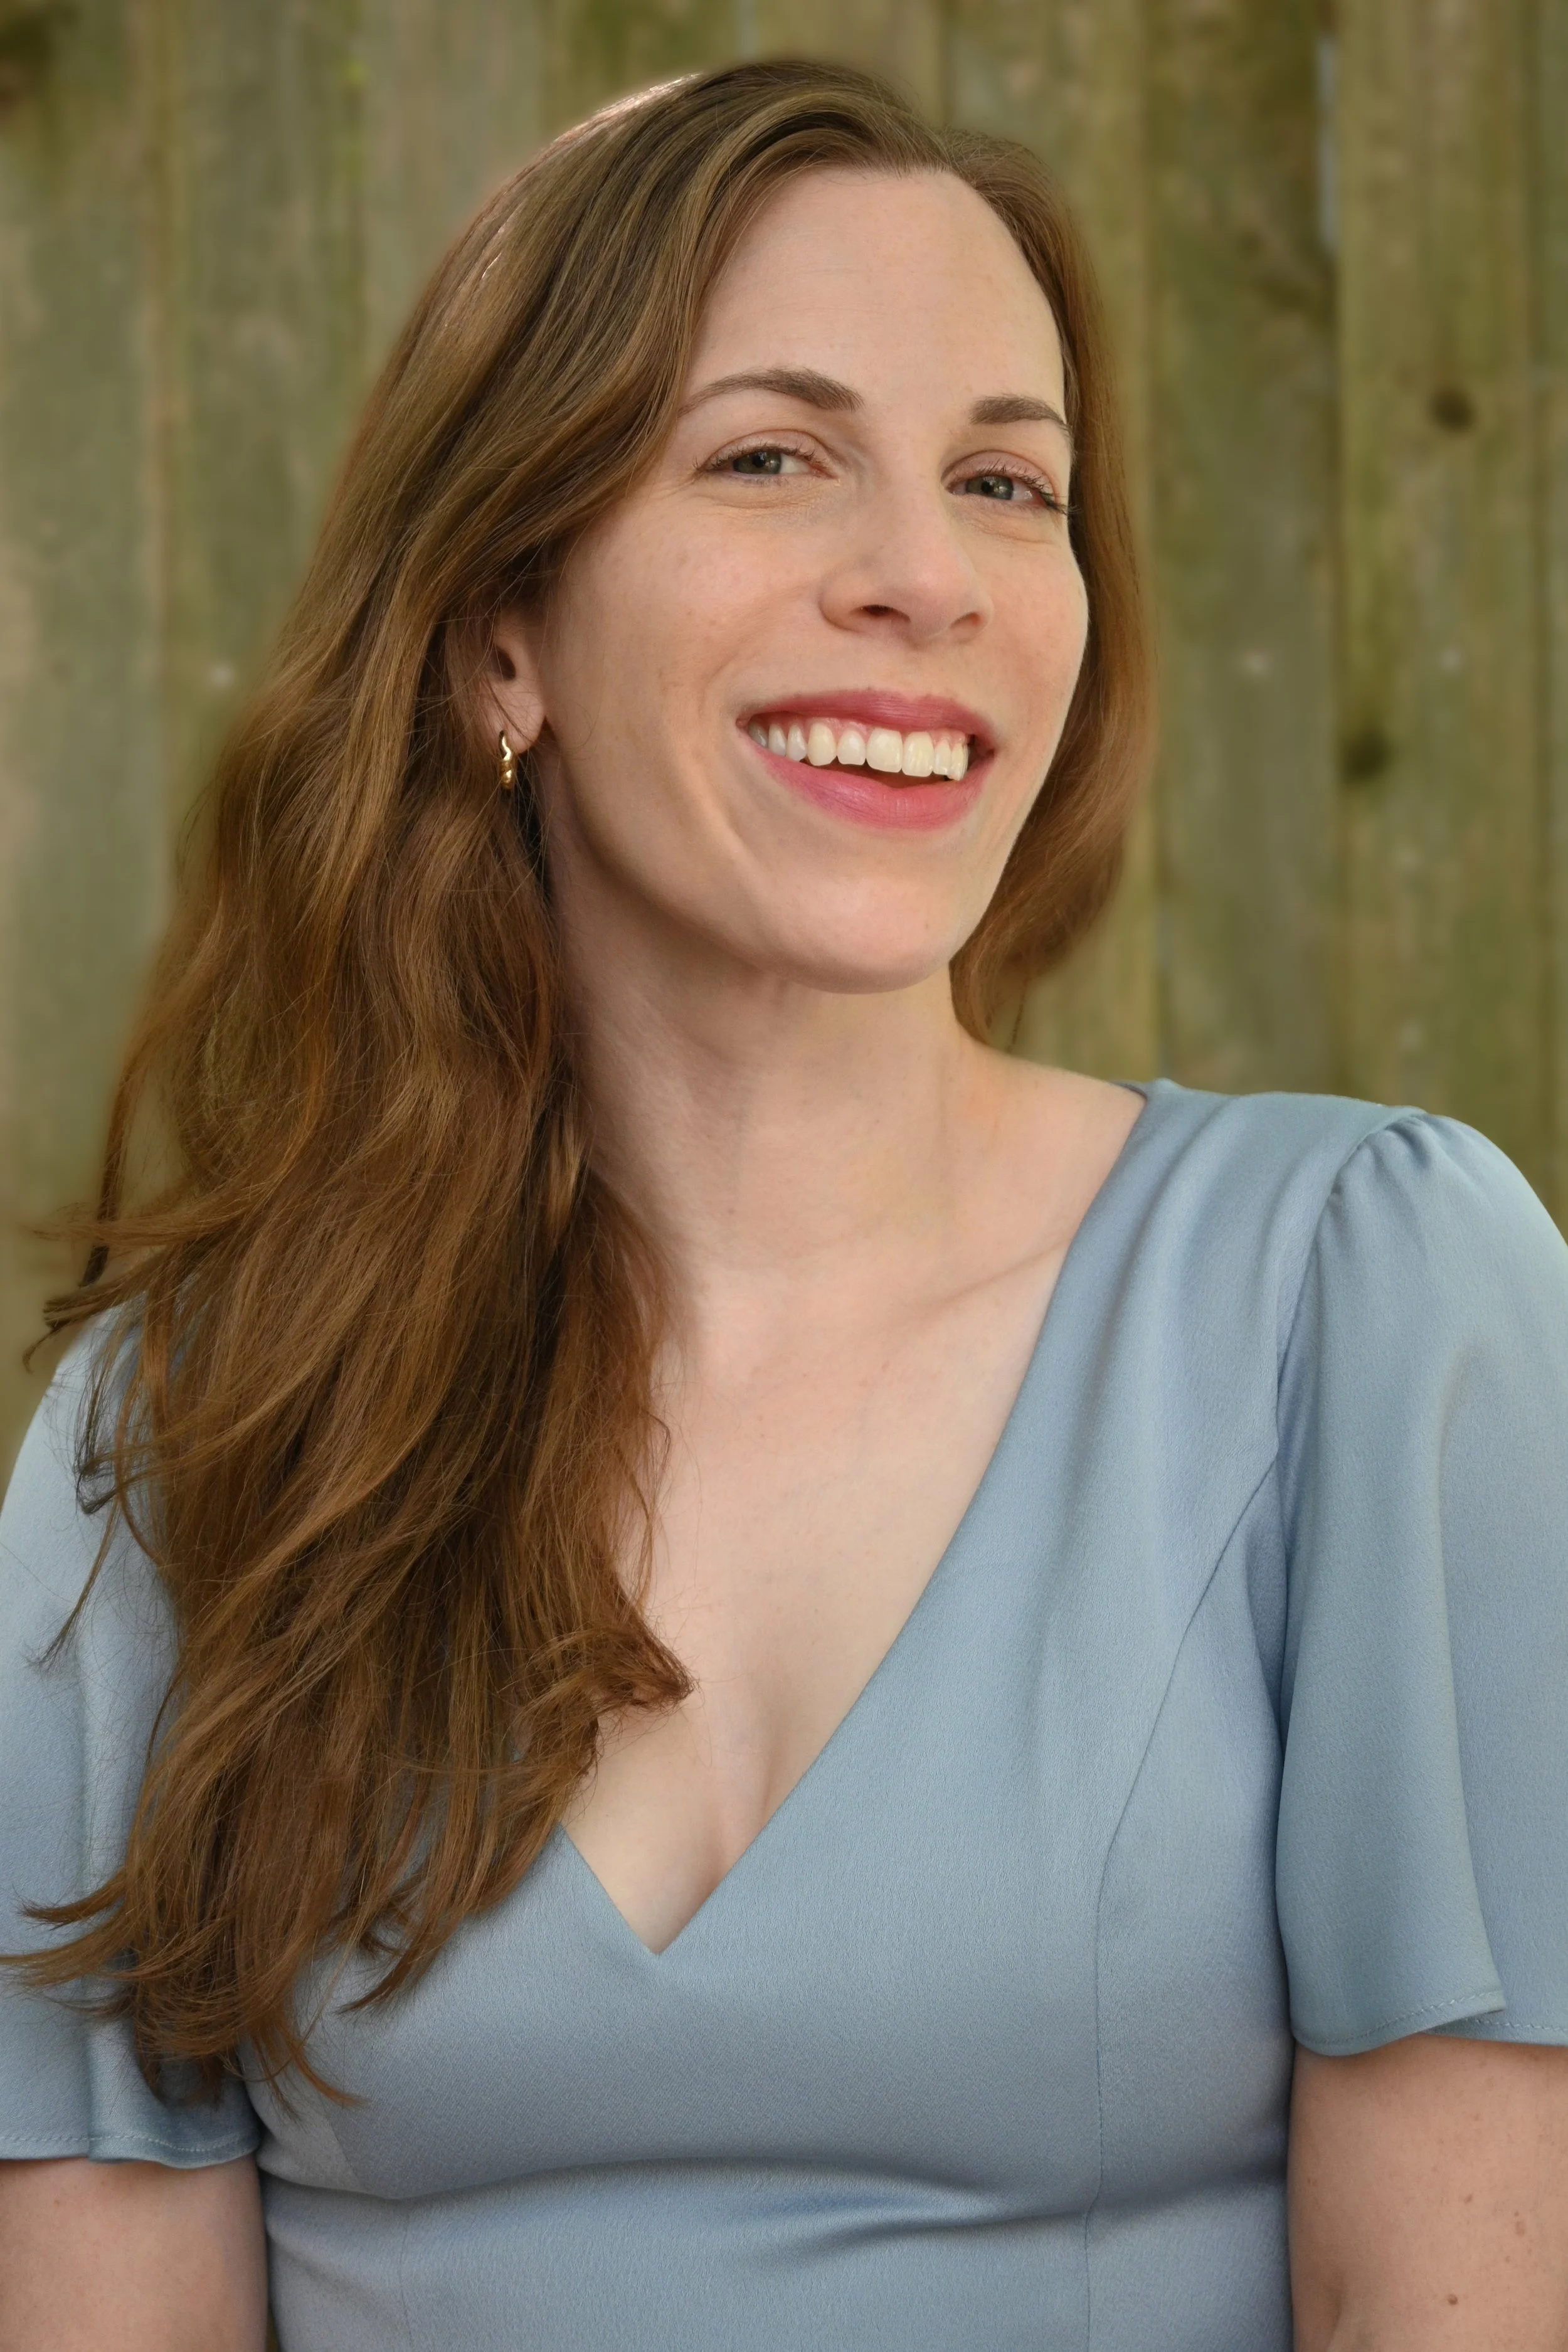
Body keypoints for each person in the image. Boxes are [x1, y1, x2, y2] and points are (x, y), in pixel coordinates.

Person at [1, 56, 1565, 2352]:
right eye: (769, 452)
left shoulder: (1368, 1303)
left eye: (1005, 482)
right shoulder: (184, 1450)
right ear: (496, 630)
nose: (924, 576)